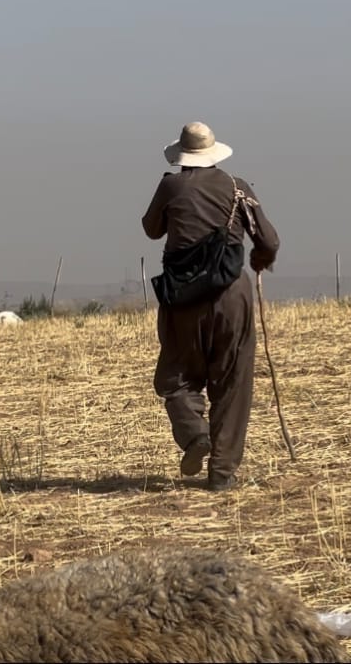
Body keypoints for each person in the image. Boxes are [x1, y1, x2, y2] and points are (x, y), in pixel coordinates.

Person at [142, 122, 280, 491]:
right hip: (231, 296)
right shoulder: (238, 187)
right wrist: (261, 259)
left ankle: (194, 434)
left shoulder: (170, 186)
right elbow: (268, 240)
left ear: (182, 157)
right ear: (214, 153)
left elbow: (151, 229)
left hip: (182, 298)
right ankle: (222, 472)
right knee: (232, 380)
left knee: (177, 375)